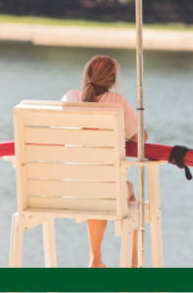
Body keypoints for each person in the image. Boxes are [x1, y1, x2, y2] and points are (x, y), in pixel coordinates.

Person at [61, 55, 148, 268]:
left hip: (69, 190)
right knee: (127, 191)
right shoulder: (118, 102)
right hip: (106, 190)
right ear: (112, 83)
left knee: (95, 188)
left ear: (86, 77)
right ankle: (133, 264)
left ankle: (96, 259)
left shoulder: (69, 97)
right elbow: (141, 138)